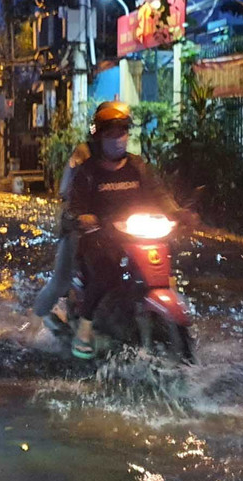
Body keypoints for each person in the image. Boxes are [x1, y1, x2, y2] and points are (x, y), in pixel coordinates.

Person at [64, 101, 179, 359]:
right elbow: (73, 207)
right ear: (100, 137)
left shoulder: (138, 167)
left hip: (136, 237)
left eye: (122, 132)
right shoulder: (88, 171)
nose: (118, 138)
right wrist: (83, 218)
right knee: (106, 271)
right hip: (100, 240)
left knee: (165, 260)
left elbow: (160, 194)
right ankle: (85, 328)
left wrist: (176, 212)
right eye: (112, 133)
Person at [33, 137, 90, 334]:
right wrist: (77, 217)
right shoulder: (83, 154)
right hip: (77, 226)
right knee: (61, 281)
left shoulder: (128, 163)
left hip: (111, 230)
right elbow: (66, 193)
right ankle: (34, 326)